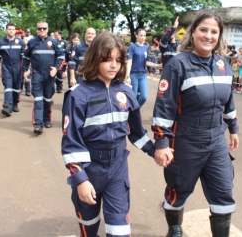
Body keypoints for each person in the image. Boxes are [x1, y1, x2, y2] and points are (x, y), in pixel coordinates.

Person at [61, 32, 173, 237]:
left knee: (119, 227)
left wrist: (154, 150)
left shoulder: (127, 91)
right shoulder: (78, 96)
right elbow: (71, 143)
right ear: (94, 59)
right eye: (107, 59)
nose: (114, 65)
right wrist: (81, 180)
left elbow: (136, 132)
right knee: (89, 226)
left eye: (118, 60)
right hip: (89, 170)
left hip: (117, 168)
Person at [151, 10, 239, 237]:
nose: (208, 36)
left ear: (219, 36)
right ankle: (175, 228)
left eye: (214, 31)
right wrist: (162, 142)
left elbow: (228, 100)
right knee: (178, 190)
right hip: (185, 141)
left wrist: (233, 129)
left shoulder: (222, 64)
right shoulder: (177, 64)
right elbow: (164, 107)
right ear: (193, 32)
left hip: (216, 141)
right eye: (203, 30)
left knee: (224, 192)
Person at [23, 21, 65, 134]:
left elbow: (61, 56)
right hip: (36, 74)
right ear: (36, 30)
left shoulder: (54, 42)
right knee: (38, 100)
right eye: (40, 28)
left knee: (47, 99)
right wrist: (26, 70)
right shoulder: (32, 42)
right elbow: (25, 57)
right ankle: (38, 124)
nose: (42, 30)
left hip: (49, 75)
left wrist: (56, 68)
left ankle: (46, 119)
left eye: (44, 28)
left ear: (47, 29)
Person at [0, 22, 26, 116]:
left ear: (15, 30)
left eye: (13, 29)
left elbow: (24, 57)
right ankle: (7, 106)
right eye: (9, 29)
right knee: (8, 86)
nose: (11, 31)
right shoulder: (1, 41)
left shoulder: (20, 41)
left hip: (18, 67)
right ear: (6, 30)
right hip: (6, 67)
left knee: (17, 87)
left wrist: (25, 70)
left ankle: (15, 103)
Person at [126, 28, 162, 107]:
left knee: (144, 97)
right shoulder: (132, 47)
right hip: (134, 74)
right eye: (141, 35)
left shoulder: (146, 47)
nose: (143, 37)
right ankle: (132, 114)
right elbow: (129, 61)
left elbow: (147, 61)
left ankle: (135, 110)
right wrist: (127, 76)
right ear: (136, 36)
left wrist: (157, 67)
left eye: (144, 36)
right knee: (133, 97)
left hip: (143, 75)